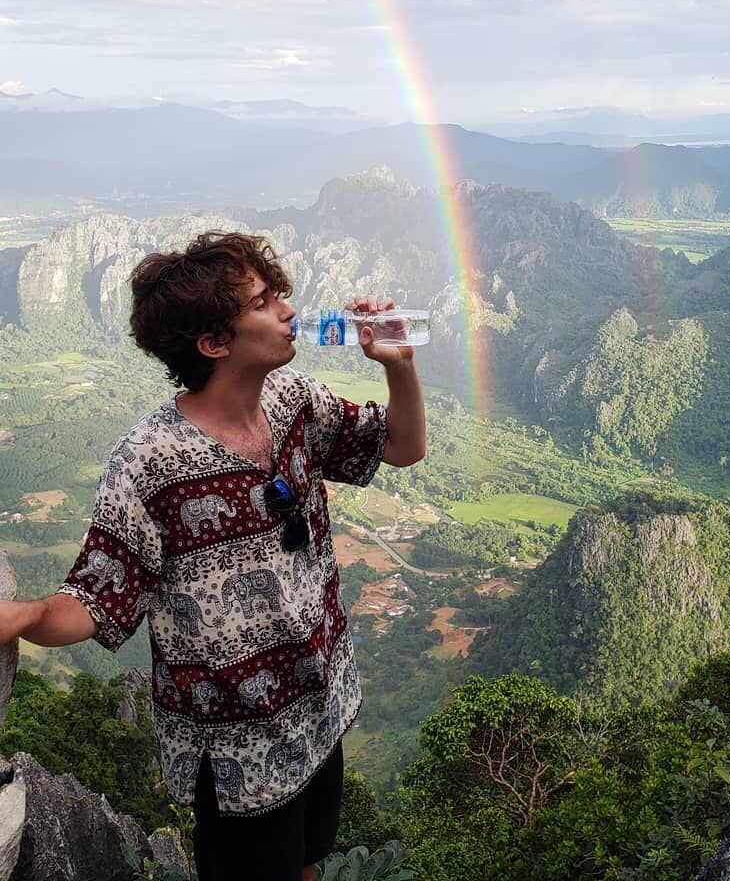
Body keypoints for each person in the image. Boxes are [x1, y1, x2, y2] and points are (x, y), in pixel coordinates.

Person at [0, 232, 425, 881]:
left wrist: (398, 364)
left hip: (321, 700)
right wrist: (23, 618)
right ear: (214, 344)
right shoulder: (149, 461)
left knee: (308, 860)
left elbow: (400, 447)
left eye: (278, 293)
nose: (288, 310)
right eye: (263, 301)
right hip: (234, 748)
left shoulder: (297, 403)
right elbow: (97, 600)